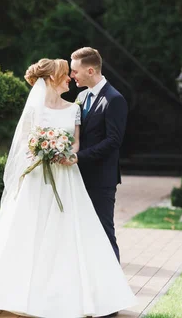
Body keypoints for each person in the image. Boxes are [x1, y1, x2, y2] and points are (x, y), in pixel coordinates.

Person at [0, 58, 136, 318]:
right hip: (38, 178)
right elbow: (25, 142)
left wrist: (66, 152)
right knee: (29, 233)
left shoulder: (76, 107)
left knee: (76, 233)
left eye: (73, 72)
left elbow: (79, 143)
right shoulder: (38, 107)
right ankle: (17, 294)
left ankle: (90, 297)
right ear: (51, 78)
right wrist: (42, 151)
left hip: (67, 176)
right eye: (65, 74)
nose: (70, 77)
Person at [69, 47, 128, 263]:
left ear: (91, 71)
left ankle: (115, 283)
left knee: (104, 231)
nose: (71, 75)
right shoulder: (81, 96)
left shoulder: (115, 99)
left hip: (102, 179)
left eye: (75, 71)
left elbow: (113, 141)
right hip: (78, 177)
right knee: (82, 231)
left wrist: (79, 157)